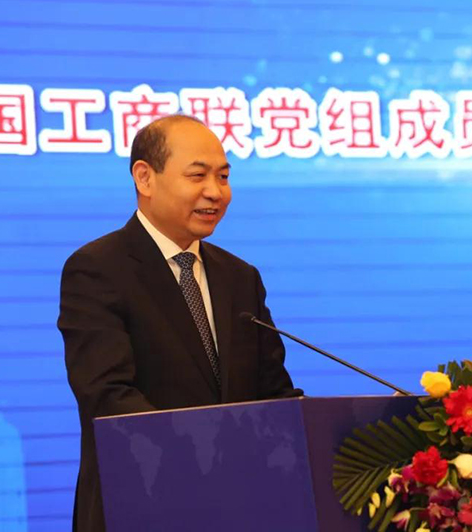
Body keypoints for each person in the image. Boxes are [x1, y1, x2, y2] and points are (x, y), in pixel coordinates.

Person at [57, 115, 302, 532]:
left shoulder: (240, 277)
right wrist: (204, 455)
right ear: (145, 177)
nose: (216, 192)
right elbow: (107, 397)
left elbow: (272, 394)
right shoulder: (98, 269)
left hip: (237, 510)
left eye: (223, 176)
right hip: (140, 505)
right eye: (198, 175)